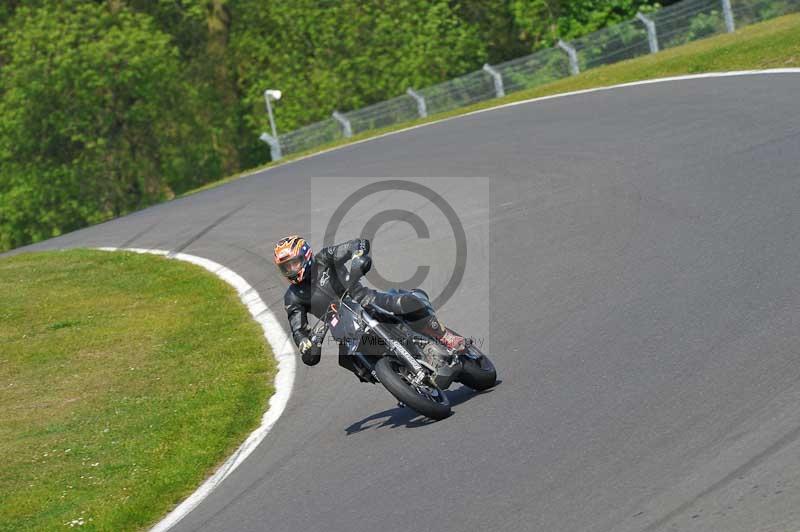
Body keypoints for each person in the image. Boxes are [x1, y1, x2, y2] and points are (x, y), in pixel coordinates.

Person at [273, 235, 465, 377]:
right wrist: (304, 343)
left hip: (364, 299)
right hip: (343, 327)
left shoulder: (324, 258)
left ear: (305, 255)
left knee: (405, 302)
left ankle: (444, 336)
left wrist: (357, 257)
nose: (291, 270)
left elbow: (358, 244)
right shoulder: (292, 297)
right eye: (286, 268)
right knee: (351, 360)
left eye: (293, 264)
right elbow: (298, 329)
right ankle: (400, 376)